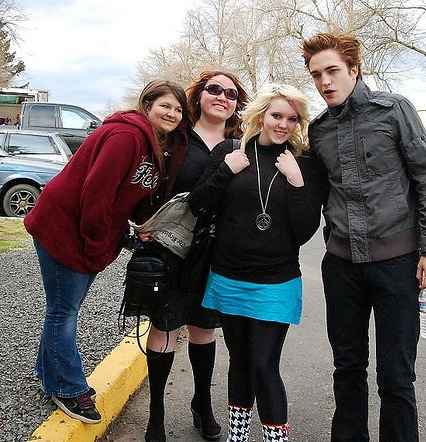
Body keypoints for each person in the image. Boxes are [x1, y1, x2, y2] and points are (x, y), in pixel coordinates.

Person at [300, 32, 426, 441]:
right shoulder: (319, 130)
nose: (325, 81)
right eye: (316, 74)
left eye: (332, 70)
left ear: (353, 69)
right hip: (342, 266)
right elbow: (316, 190)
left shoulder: (394, 110)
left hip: (398, 263)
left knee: (396, 375)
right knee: (347, 367)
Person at [23, 80, 190, 425]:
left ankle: (49, 372)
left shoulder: (154, 145)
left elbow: (132, 197)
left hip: (87, 233)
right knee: (63, 310)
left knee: (64, 307)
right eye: (165, 106)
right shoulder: (126, 136)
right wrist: (97, 244)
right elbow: (96, 194)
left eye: (178, 109)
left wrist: (131, 233)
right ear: (147, 105)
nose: (172, 114)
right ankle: (68, 388)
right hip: (64, 227)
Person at [190, 83, 328, 442]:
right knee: (239, 361)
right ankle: (237, 436)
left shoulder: (302, 163)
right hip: (229, 276)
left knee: (264, 365)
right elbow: (198, 204)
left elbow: (304, 231)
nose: (283, 124)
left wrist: (296, 182)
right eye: (276, 115)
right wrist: (225, 171)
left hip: (276, 282)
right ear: (261, 115)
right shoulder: (230, 150)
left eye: (291, 119)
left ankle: (275, 438)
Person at [141, 70, 250, 442]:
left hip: (215, 252)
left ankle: (202, 404)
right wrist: (142, 222)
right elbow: (147, 181)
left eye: (231, 93)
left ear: (237, 104)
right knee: (165, 327)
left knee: (204, 328)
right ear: (199, 95)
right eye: (214, 89)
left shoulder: (243, 144)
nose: (222, 97)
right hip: (170, 249)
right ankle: (156, 416)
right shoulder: (177, 137)